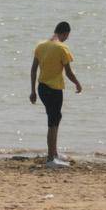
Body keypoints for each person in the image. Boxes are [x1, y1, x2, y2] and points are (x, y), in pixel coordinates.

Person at [29, 21, 83, 167]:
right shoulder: (62, 48)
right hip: (54, 89)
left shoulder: (40, 45)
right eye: (67, 36)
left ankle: (54, 153)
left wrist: (33, 91)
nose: (67, 38)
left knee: (54, 119)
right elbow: (68, 72)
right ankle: (51, 159)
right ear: (65, 33)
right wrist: (77, 83)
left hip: (41, 88)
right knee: (53, 122)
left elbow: (33, 69)